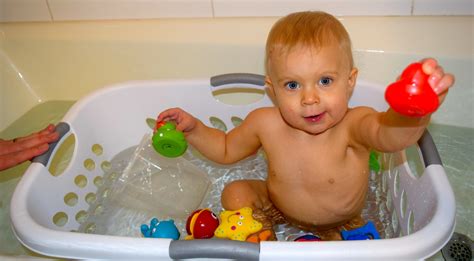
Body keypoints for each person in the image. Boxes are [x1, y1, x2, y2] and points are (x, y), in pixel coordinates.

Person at [157, 11, 455, 241]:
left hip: (340, 222)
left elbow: (389, 135)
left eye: (325, 81)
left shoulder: (353, 125)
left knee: (344, 248)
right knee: (234, 194)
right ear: (272, 90)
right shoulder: (265, 123)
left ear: (349, 81)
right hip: (277, 206)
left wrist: (413, 112)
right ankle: (267, 244)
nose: (309, 98)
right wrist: (194, 129)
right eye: (292, 84)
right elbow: (224, 149)